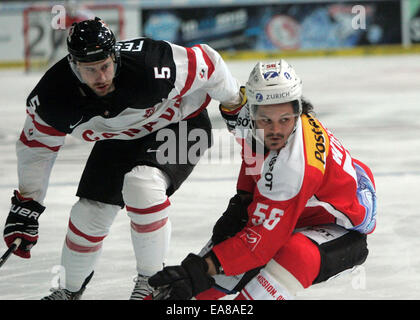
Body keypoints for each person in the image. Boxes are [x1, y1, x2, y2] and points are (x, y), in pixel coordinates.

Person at [2, 17, 246, 300]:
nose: (101, 78)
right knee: (88, 213)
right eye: (89, 70)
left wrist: (234, 103)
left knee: (143, 185)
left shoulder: (153, 64)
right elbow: (36, 148)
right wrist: (27, 204)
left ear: (115, 57)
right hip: (121, 136)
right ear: (73, 65)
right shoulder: (53, 97)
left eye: (105, 66)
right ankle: (67, 291)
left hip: (184, 125)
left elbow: (210, 63)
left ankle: (152, 284)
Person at [147, 60, 377, 300]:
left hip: (340, 225)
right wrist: (243, 200)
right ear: (253, 110)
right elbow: (254, 155)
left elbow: (260, 245)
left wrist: (200, 268)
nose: (275, 130)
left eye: (285, 119)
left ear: (297, 110)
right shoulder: (251, 118)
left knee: (295, 255)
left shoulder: (295, 167)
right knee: (194, 286)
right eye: (266, 120)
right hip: (299, 206)